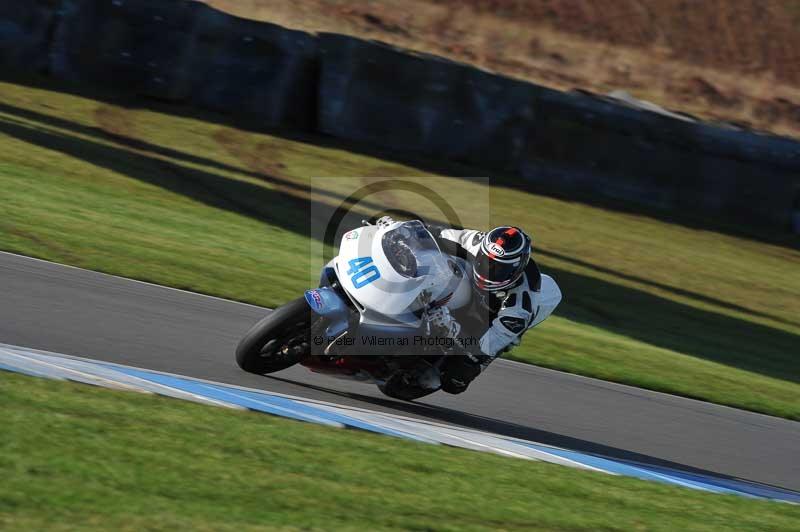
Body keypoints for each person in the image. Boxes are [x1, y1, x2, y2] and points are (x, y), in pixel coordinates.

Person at [376, 216, 561, 394]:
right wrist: (400, 231)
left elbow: (483, 349)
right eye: (486, 261)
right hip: (469, 289)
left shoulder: (519, 308)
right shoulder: (478, 241)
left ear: (516, 271)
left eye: (498, 269)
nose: (488, 270)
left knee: (455, 381)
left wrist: (453, 329)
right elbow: (436, 234)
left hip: (488, 321)